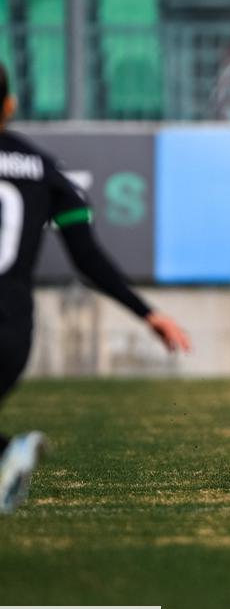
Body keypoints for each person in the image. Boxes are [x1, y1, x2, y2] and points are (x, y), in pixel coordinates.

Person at [0, 63, 191, 513]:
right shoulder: (46, 171)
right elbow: (87, 258)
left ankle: (8, 451)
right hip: (12, 331)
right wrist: (146, 312)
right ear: (10, 104)